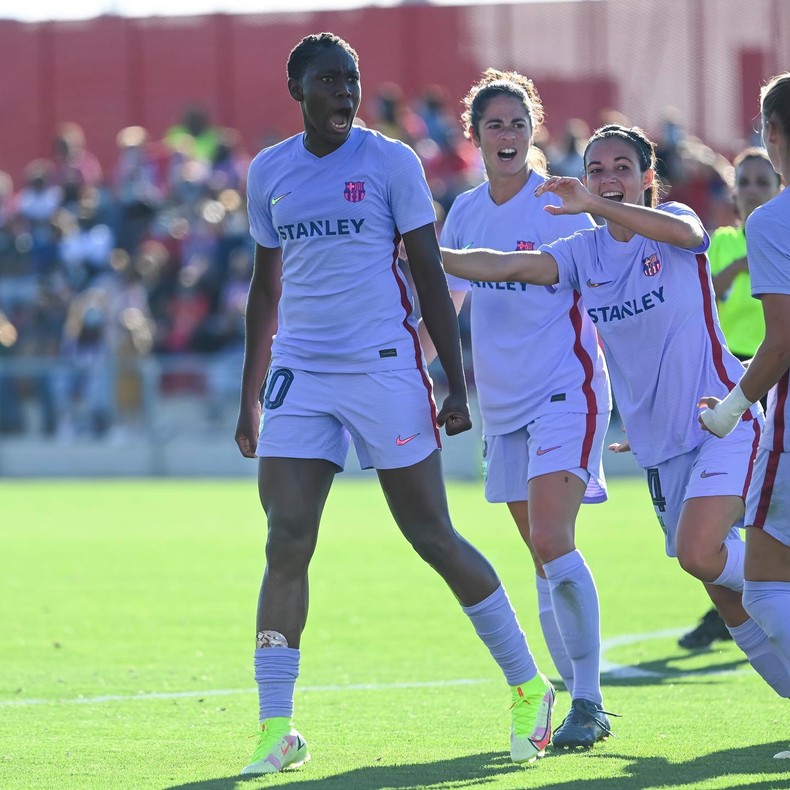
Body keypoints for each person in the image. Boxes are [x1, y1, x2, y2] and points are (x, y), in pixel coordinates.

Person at [235, 32, 554, 776]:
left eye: (352, 80)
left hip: (384, 367)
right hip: (301, 373)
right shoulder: (269, 172)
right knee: (286, 540)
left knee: (431, 536)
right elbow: (263, 288)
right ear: (297, 91)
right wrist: (249, 399)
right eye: (328, 81)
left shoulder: (390, 162)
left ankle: (528, 685)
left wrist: (453, 381)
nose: (345, 93)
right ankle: (275, 728)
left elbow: (428, 274)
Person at [441, 122, 790, 701]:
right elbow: (505, 266)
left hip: (721, 421)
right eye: (596, 169)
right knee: (720, 589)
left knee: (704, 553)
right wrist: (427, 252)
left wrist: (598, 207)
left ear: (648, 177)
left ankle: (776, 574)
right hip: (659, 445)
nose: (608, 179)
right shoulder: (582, 252)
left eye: (622, 168)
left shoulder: (676, 223)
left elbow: (684, 233)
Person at [420, 69, 613, 749]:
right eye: (494, 124)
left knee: (555, 542)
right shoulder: (467, 212)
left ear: (535, 129)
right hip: (502, 406)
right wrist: (420, 377)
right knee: (540, 553)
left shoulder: (560, 202)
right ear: (474, 136)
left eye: (517, 122)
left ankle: (588, 700)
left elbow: (543, 277)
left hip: (567, 387)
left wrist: (422, 250)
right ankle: (569, 701)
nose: (507, 135)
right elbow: (443, 309)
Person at [698, 72, 790, 698]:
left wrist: (731, 408)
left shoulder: (772, 222)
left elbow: (782, 339)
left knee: (762, 590)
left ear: (772, 132)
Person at [679, 146, 781, 650]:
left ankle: (743, 597)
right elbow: (706, 298)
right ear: (733, 191)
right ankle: (728, 601)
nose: (754, 190)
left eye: (764, 181)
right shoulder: (720, 242)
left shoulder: (780, 235)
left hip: (771, 368)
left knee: (763, 492)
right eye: (746, 182)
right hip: (727, 372)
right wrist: (740, 264)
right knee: (730, 497)